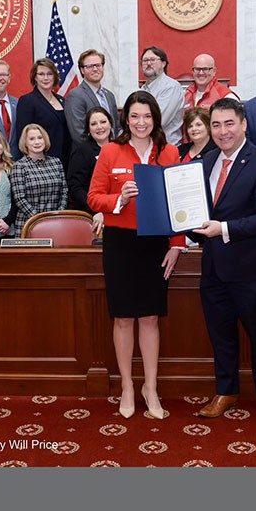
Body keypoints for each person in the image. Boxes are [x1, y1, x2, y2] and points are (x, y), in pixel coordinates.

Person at [87, 91, 183, 420]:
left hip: (156, 242)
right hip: (120, 243)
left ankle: (150, 387)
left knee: (151, 318)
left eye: (147, 116)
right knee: (124, 317)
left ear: (155, 119)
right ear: (125, 119)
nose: (141, 122)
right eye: (134, 116)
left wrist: (176, 244)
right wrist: (118, 199)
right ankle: (128, 385)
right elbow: (93, 197)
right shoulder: (111, 151)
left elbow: (178, 205)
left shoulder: (169, 152)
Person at [192, 98, 256, 426]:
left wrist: (223, 229)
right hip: (214, 266)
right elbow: (198, 211)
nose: (222, 131)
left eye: (228, 123)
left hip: (251, 269)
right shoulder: (205, 162)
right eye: (215, 125)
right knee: (221, 334)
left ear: (243, 124)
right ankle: (226, 390)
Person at [10, 123, 68, 239]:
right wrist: (39, 220)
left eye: (40, 138)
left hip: (56, 223)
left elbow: (64, 192)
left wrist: (58, 215)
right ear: (25, 143)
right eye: (32, 139)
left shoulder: (56, 162)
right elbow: (20, 199)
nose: (37, 142)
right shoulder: (19, 166)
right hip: (28, 225)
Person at [14, 58, 72, 169]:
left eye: (49, 74)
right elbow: (23, 136)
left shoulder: (62, 100)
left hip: (66, 161)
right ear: (35, 77)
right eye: (41, 74)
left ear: (55, 76)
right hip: (41, 163)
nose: (45, 78)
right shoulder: (27, 101)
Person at [66, 106, 113, 237]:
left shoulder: (121, 148)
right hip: (92, 214)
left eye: (103, 122)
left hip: (118, 211)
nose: (99, 127)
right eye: (93, 124)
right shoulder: (81, 151)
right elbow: (75, 187)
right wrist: (95, 210)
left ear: (110, 123)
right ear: (88, 129)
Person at [63, 49, 120, 143]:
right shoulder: (75, 95)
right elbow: (78, 133)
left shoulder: (109, 95)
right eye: (89, 66)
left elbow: (115, 127)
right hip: (90, 154)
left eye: (98, 65)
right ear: (82, 70)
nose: (95, 69)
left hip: (112, 151)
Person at [140, 46, 185, 145]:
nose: (148, 63)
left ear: (164, 63)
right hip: (146, 146)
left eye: (153, 60)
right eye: (145, 60)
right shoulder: (143, 89)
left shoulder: (171, 87)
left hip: (167, 147)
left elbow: (159, 120)